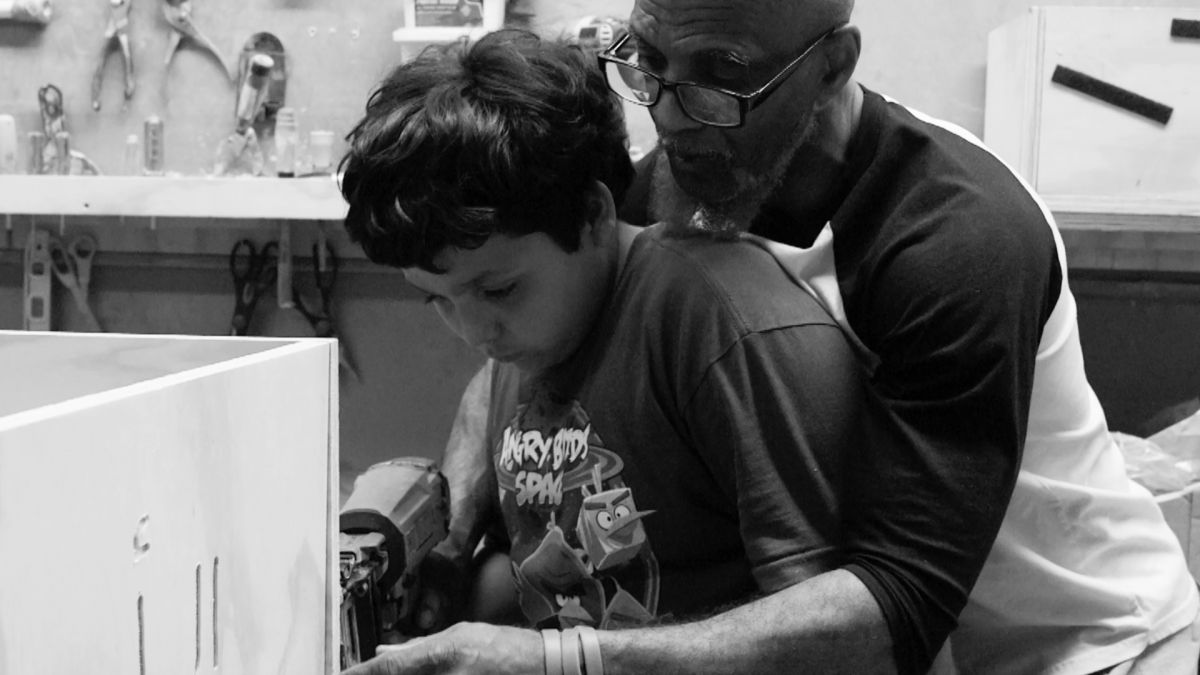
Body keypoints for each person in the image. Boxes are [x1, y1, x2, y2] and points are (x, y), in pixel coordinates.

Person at [344, 2, 1200, 673]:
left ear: (832, 65)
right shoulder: (670, 184)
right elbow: (522, 348)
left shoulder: (956, 241)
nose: (673, 116)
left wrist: (557, 660)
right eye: (651, 61)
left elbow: (891, 612)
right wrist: (450, 529)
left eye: (723, 73)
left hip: (1076, 646)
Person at [338, 29, 903, 675]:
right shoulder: (536, 327)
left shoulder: (728, 331)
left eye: (498, 288)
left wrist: (558, 660)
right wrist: (451, 542)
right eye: (436, 299)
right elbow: (487, 389)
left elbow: (842, 647)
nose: (472, 331)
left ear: (593, 214)